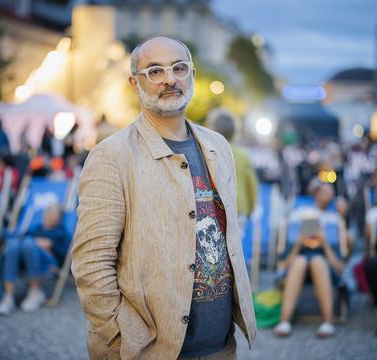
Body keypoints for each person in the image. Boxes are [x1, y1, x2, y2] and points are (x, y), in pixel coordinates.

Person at [71, 35, 256, 360]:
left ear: (192, 76)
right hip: (150, 351)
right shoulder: (111, 156)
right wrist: (121, 338)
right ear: (134, 82)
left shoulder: (218, 148)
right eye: (154, 71)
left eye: (179, 68)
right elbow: (91, 264)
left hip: (221, 347)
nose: (170, 79)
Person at [273, 184, 345, 338]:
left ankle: (328, 321)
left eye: (331, 193)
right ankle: (284, 321)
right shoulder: (300, 215)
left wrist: (324, 242)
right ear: (316, 194)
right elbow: (283, 266)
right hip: (298, 263)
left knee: (318, 260)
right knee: (300, 261)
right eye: (325, 192)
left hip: (325, 266)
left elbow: (340, 269)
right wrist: (299, 242)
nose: (329, 196)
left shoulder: (335, 219)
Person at [0, 203, 70, 315]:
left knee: (28, 243)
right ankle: (8, 296)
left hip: (49, 264)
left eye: (53, 212)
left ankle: (35, 291)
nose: (48, 214)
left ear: (60, 217)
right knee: (13, 244)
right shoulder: (36, 228)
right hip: (26, 258)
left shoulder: (62, 233)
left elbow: (63, 254)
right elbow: (19, 237)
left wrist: (49, 245)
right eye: (47, 211)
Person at [206, 109, 258, 232]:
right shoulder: (243, 155)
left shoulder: (207, 153)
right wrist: (250, 209)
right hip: (239, 207)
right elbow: (251, 186)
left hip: (213, 208)